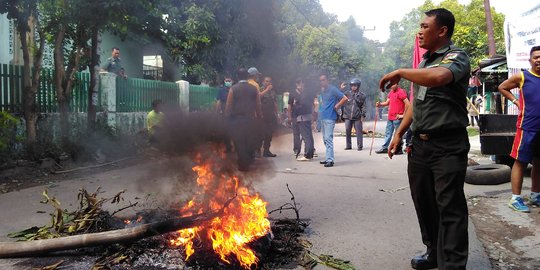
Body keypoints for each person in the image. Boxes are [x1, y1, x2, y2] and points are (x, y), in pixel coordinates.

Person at [379, 8, 471, 270]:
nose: (419, 31)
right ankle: (433, 252)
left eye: (424, 26)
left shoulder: (455, 57)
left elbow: (440, 78)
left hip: (448, 146)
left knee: (449, 206)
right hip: (420, 145)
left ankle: (452, 265)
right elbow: (415, 105)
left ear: (442, 31)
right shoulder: (424, 64)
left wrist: (401, 71)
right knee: (424, 202)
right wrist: (398, 134)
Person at [497, 45, 540, 213]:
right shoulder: (523, 76)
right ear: (530, 60)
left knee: (539, 162)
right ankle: (515, 198)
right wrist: (516, 102)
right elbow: (502, 87)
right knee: (521, 161)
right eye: (536, 57)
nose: (539, 60)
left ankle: (536, 195)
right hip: (527, 127)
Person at [225, 68, 262, 172]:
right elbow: (258, 104)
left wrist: (226, 117)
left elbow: (229, 104)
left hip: (237, 120)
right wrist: (259, 116)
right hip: (250, 119)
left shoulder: (233, 89)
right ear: (247, 76)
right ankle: (249, 161)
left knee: (239, 141)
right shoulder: (254, 89)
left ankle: (242, 163)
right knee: (249, 140)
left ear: (237, 77)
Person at [319, 74, 348, 167]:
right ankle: (328, 157)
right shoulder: (323, 90)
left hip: (330, 117)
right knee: (325, 139)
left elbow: (345, 98)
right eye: (320, 80)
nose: (321, 82)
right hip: (323, 117)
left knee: (328, 138)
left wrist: (337, 106)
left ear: (327, 80)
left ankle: (330, 160)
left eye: (323, 80)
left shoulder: (333, 89)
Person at [375, 83, 410, 155]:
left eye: (393, 84)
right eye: (390, 85)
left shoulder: (401, 92)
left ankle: (398, 149)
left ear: (397, 84)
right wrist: (380, 104)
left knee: (398, 134)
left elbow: (407, 103)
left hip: (397, 118)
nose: (391, 86)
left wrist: (403, 115)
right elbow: (387, 102)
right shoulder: (391, 92)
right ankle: (385, 148)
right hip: (390, 117)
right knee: (388, 133)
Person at [288, 78, 315, 161]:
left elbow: (311, 104)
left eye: (303, 83)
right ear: (297, 84)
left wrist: (313, 116)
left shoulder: (305, 93)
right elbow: (290, 105)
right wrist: (289, 116)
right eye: (300, 83)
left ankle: (308, 153)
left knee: (306, 136)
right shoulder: (293, 93)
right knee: (300, 134)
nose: (302, 85)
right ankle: (299, 150)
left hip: (303, 117)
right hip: (296, 116)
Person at [342, 78, 366, 151]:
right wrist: (341, 89)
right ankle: (348, 145)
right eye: (352, 85)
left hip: (357, 116)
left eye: (355, 85)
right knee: (347, 130)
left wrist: (363, 115)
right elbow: (339, 97)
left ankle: (360, 146)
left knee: (359, 131)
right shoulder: (347, 94)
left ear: (358, 86)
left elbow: (364, 106)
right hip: (347, 115)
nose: (353, 87)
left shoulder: (362, 95)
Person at [259, 76, 278, 157]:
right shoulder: (260, 89)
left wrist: (277, 114)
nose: (268, 83)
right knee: (261, 133)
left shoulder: (273, 91)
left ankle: (266, 151)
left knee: (269, 134)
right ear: (263, 82)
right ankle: (257, 151)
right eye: (266, 81)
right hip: (262, 115)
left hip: (270, 115)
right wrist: (267, 90)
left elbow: (275, 102)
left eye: (269, 81)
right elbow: (258, 96)